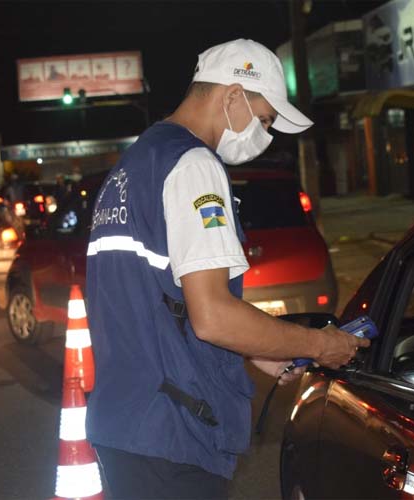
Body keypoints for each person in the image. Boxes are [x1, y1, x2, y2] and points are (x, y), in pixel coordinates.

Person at [85, 39, 369, 499]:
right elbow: (213, 316)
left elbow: (160, 300)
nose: (264, 135)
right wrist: (319, 345)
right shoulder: (194, 165)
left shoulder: (137, 163)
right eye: (264, 120)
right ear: (233, 95)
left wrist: (260, 348)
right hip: (171, 431)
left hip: (126, 421)